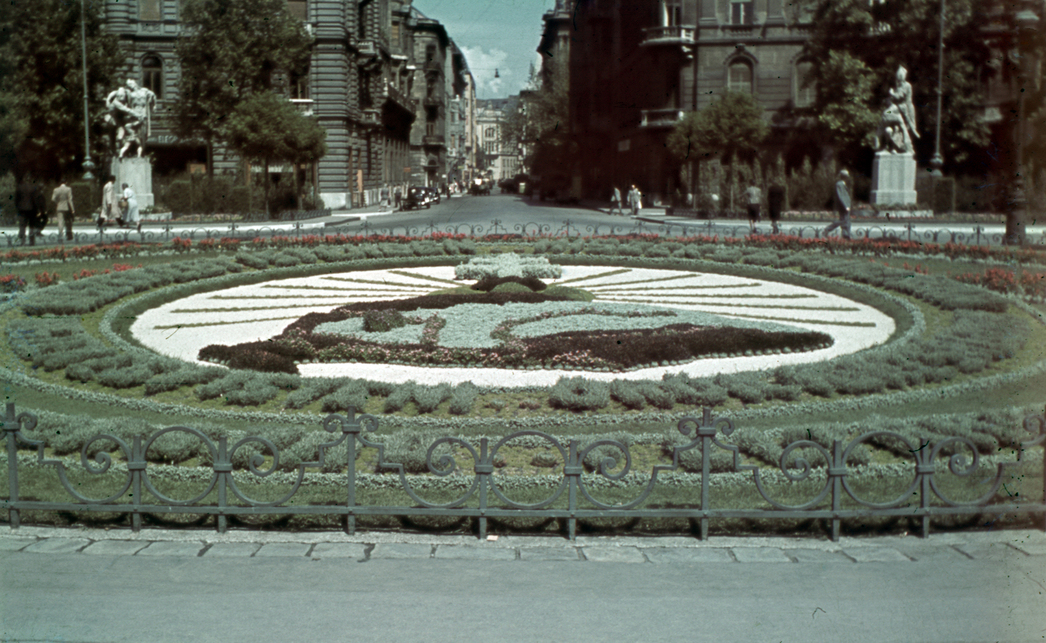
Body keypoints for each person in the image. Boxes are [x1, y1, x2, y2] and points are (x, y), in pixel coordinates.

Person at [824, 170, 852, 240]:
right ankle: (827, 229)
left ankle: (846, 235)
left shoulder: (843, 184)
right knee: (843, 220)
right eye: (846, 176)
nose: (847, 178)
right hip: (843, 206)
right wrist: (845, 206)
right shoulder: (839, 184)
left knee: (847, 220)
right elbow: (841, 196)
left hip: (846, 206)